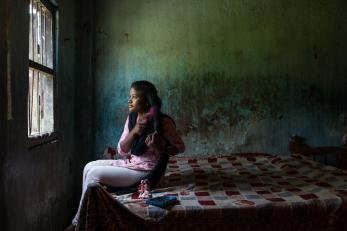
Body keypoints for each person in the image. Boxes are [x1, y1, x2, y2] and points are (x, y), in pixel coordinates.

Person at [65, 80, 185, 231]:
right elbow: (122, 150)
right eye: (130, 96)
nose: (129, 100)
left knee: (94, 173)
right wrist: (135, 131)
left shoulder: (163, 122)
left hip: (148, 171)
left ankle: (78, 223)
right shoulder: (132, 119)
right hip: (131, 163)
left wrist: (161, 146)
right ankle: (81, 217)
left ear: (146, 101)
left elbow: (180, 147)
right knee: (88, 166)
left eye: (134, 97)